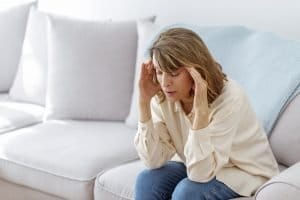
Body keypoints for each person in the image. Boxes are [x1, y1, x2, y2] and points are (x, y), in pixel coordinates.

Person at [134, 27, 279, 200]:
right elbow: (153, 160)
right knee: (147, 180)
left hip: (243, 172)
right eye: (159, 72)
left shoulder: (230, 98)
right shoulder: (164, 96)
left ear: (196, 70)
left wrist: (201, 114)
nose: (165, 82)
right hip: (199, 164)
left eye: (174, 73)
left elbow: (199, 174)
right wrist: (143, 102)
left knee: (186, 192)